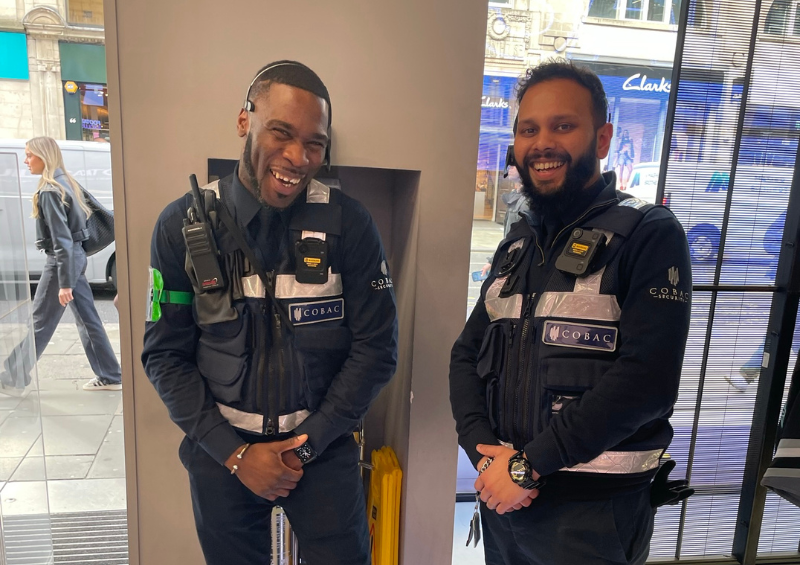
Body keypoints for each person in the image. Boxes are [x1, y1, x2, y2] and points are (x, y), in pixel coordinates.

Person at [141, 61, 398, 565]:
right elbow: (164, 358)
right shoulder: (181, 227)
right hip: (221, 455)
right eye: (281, 132)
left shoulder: (350, 225)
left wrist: (304, 447)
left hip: (321, 451)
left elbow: (377, 349)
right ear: (245, 122)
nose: (298, 157)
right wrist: (236, 456)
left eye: (315, 143)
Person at [449, 60, 693, 565]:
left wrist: (526, 468)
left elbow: (647, 383)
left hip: (592, 520)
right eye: (528, 129)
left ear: (602, 139)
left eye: (564, 126)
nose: (542, 143)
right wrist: (482, 453)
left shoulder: (648, 233)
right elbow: (465, 356)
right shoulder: (517, 244)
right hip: (507, 505)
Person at [0, 136, 122, 392]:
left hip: (61, 263)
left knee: (40, 322)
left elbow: (62, 239)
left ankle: (13, 377)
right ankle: (110, 374)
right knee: (88, 318)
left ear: (44, 156)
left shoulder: (49, 190)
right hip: (74, 258)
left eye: (29, 155)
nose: (26, 161)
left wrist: (64, 282)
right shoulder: (67, 182)